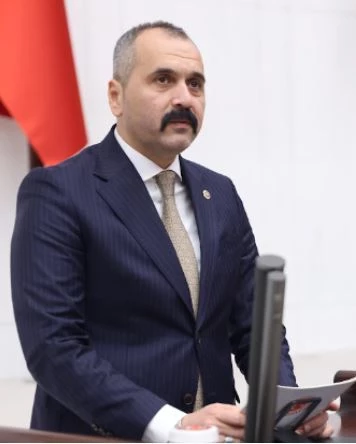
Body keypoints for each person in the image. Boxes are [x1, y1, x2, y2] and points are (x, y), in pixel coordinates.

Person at [11, 21, 333, 442]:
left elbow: (253, 325)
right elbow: (54, 349)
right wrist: (172, 425)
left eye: (195, 84)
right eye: (163, 80)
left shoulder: (220, 193)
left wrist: (288, 408)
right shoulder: (58, 192)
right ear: (115, 96)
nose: (184, 97)